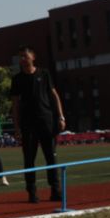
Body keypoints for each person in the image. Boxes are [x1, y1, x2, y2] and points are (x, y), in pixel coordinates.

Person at [10, 45, 66, 203]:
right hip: (28, 124)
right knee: (29, 159)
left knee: (51, 157)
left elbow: (54, 95)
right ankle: (32, 191)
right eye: (20, 57)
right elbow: (15, 105)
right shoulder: (17, 79)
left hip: (47, 121)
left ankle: (55, 190)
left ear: (33, 57)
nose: (22, 59)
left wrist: (61, 116)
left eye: (25, 56)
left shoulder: (44, 74)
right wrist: (16, 127)